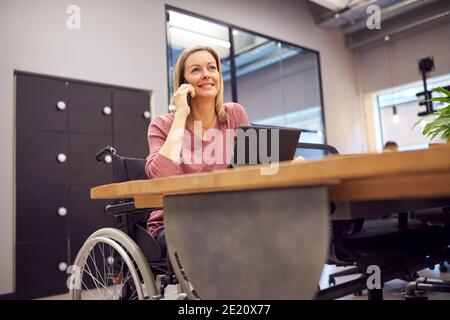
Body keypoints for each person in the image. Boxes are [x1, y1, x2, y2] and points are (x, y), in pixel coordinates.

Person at [144, 46, 250, 253]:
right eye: (196, 70)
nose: (206, 75)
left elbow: (256, 166)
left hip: (226, 217)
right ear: (183, 83)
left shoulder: (235, 114)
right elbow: (159, 178)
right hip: (175, 224)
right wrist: (181, 113)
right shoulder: (162, 125)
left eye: (212, 68)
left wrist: (287, 165)